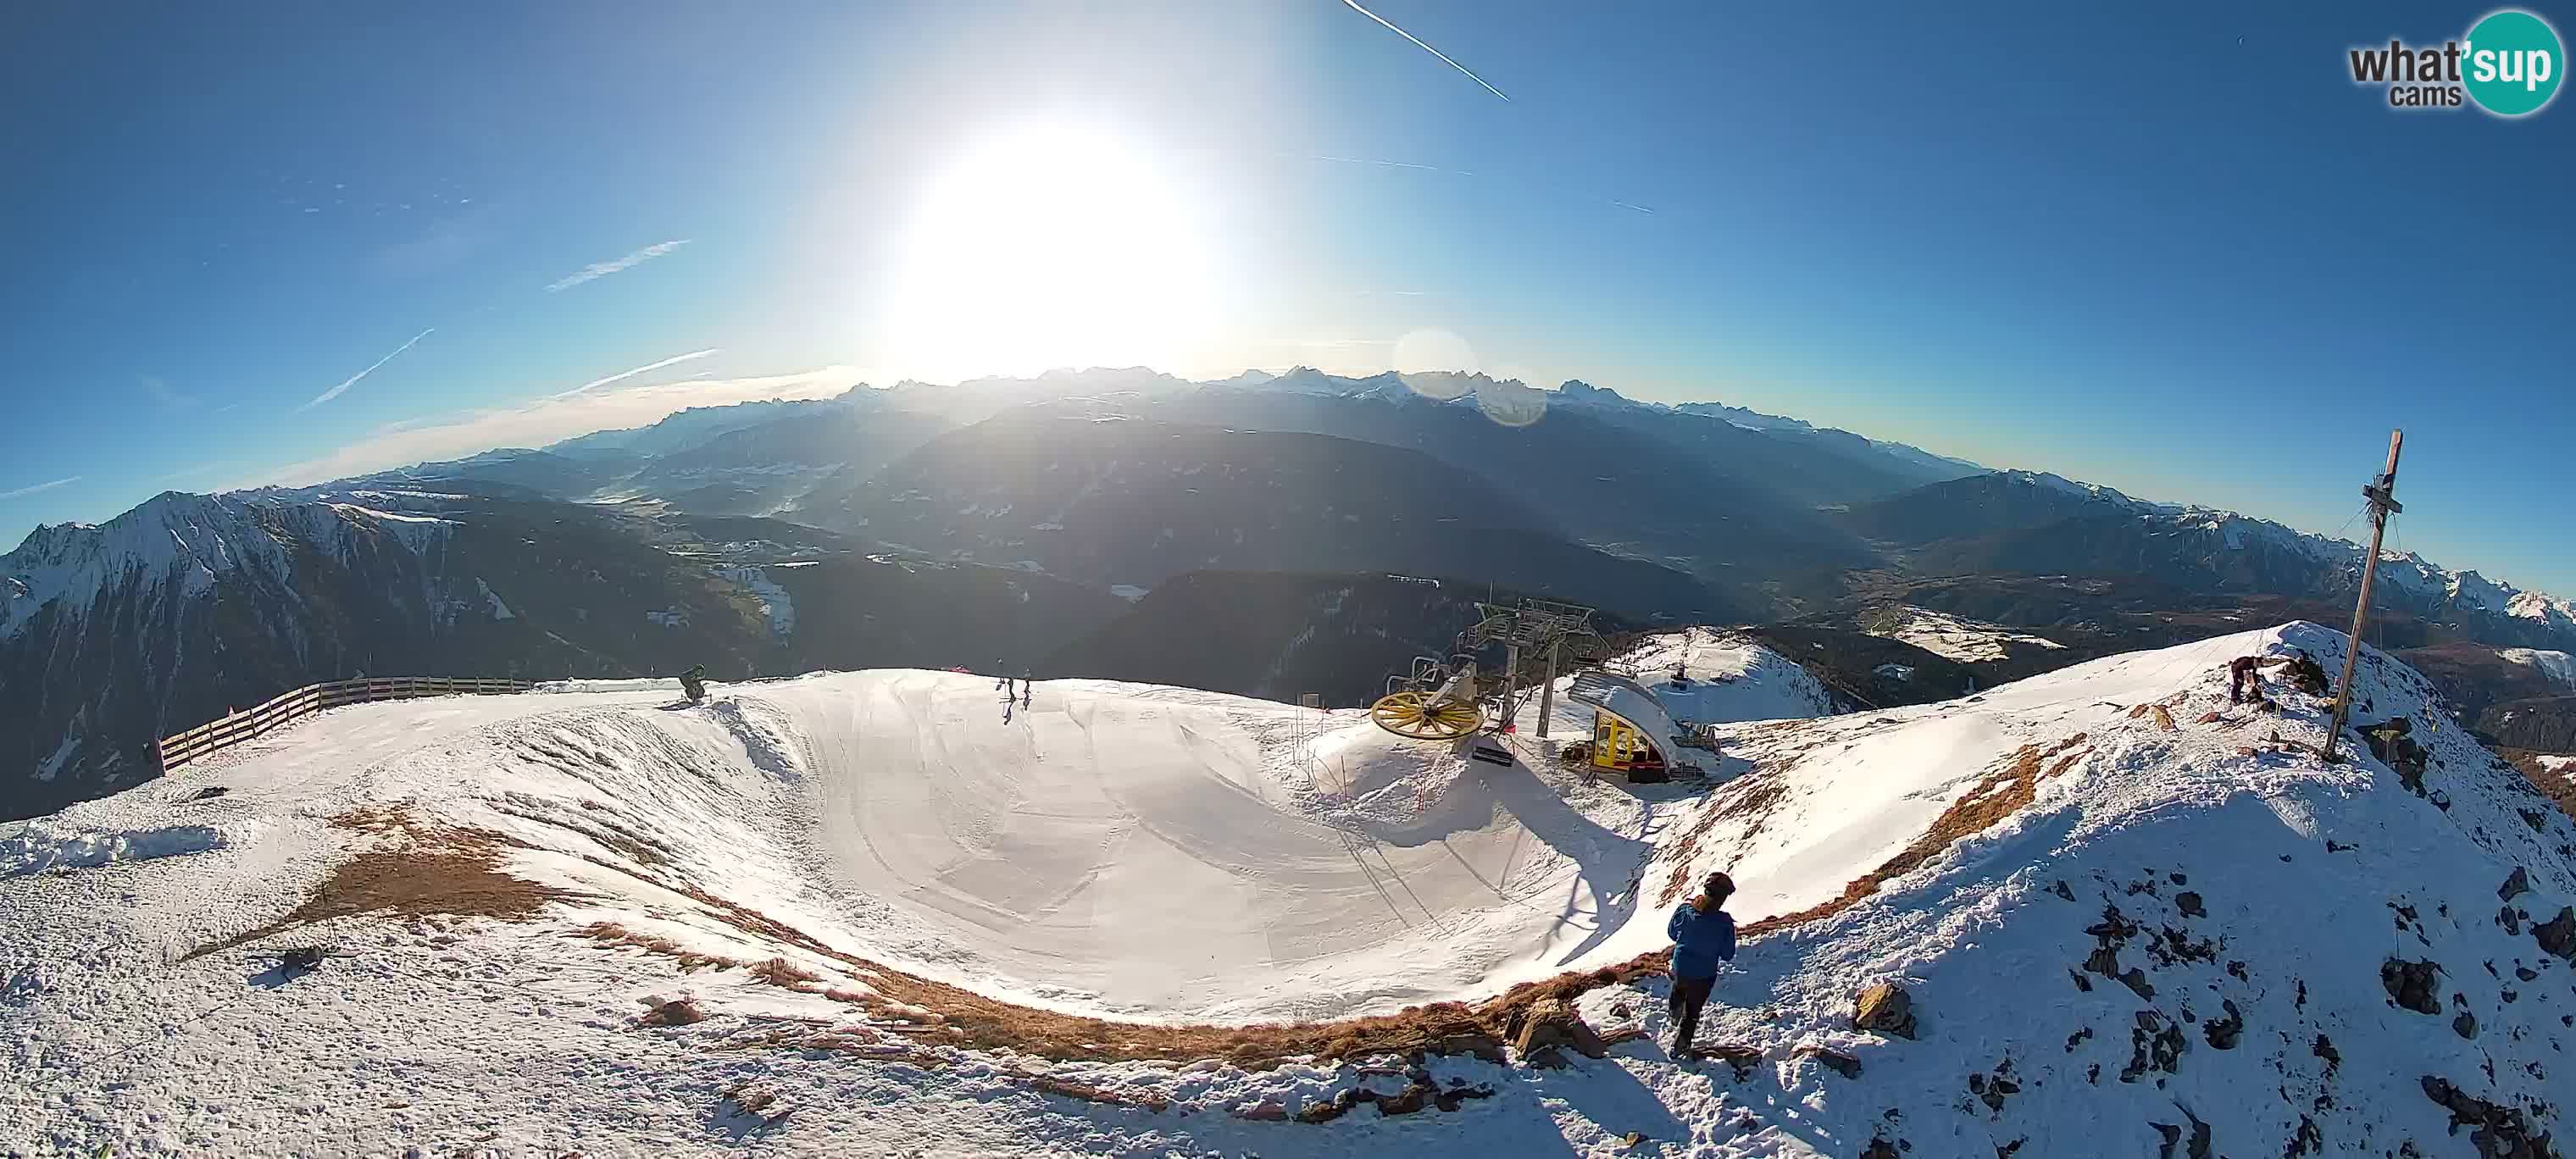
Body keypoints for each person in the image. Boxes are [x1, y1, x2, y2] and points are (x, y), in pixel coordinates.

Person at [1666, 870, 1737, 1058]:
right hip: (1704, 973)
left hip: (1681, 964)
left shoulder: (1684, 910)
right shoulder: (1724, 923)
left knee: (1679, 986)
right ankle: (1681, 1044)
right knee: (1693, 1011)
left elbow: (1672, 933)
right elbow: (1728, 954)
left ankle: (1674, 1010)